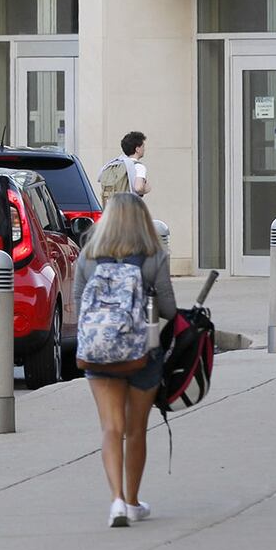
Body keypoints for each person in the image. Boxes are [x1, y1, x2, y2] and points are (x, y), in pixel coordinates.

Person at [75, 192, 176, 528]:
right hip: (142, 353)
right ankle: (133, 501)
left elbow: (78, 307)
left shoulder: (88, 256)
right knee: (135, 430)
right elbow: (169, 310)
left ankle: (116, 500)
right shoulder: (153, 256)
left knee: (110, 427)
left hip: (99, 354)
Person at [97, 131, 151, 205]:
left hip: (112, 208)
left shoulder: (115, 164)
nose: (144, 149)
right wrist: (146, 189)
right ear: (137, 149)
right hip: (128, 207)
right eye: (143, 146)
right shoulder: (138, 166)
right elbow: (138, 188)